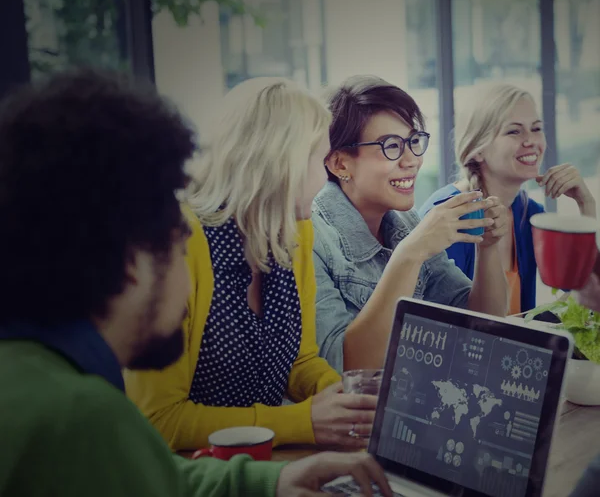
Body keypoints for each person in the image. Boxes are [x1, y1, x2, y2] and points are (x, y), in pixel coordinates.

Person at [0, 69, 393, 497]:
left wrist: (273, 479)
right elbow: (156, 438)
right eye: (172, 239)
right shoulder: (81, 417)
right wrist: (302, 423)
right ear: (132, 258)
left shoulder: (42, 384)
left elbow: (160, 481)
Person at [125, 77, 377, 451]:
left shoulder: (296, 231)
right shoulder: (178, 244)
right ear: (281, 165)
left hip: (262, 467)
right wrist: (301, 422)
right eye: (319, 161)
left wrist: (343, 399)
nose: (326, 178)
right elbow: (158, 421)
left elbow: (300, 360)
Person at [312, 75, 509, 373]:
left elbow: (480, 325)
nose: (412, 160)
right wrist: (409, 254)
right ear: (340, 164)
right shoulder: (311, 238)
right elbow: (344, 368)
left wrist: (490, 246)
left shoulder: (405, 221)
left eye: (413, 141)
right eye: (391, 145)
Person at [420, 83, 596, 315]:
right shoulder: (448, 215)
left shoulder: (529, 213)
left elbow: (585, 297)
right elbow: (458, 325)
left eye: (536, 128)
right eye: (514, 131)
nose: (531, 140)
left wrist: (587, 206)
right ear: (477, 149)